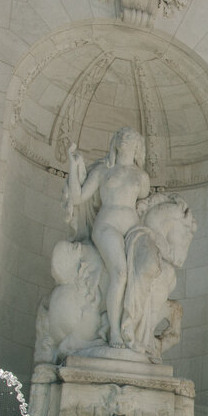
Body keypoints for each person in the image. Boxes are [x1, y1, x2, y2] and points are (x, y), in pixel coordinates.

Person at [63, 127, 152, 350]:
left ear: (137, 146)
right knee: (120, 272)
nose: (124, 139)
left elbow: (145, 201)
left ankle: (134, 329)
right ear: (114, 142)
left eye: (129, 137)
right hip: (106, 225)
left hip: (133, 230)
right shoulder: (103, 170)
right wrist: (73, 166)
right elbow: (78, 197)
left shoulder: (142, 177)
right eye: (121, 136)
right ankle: (114, 331)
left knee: (143, 273)